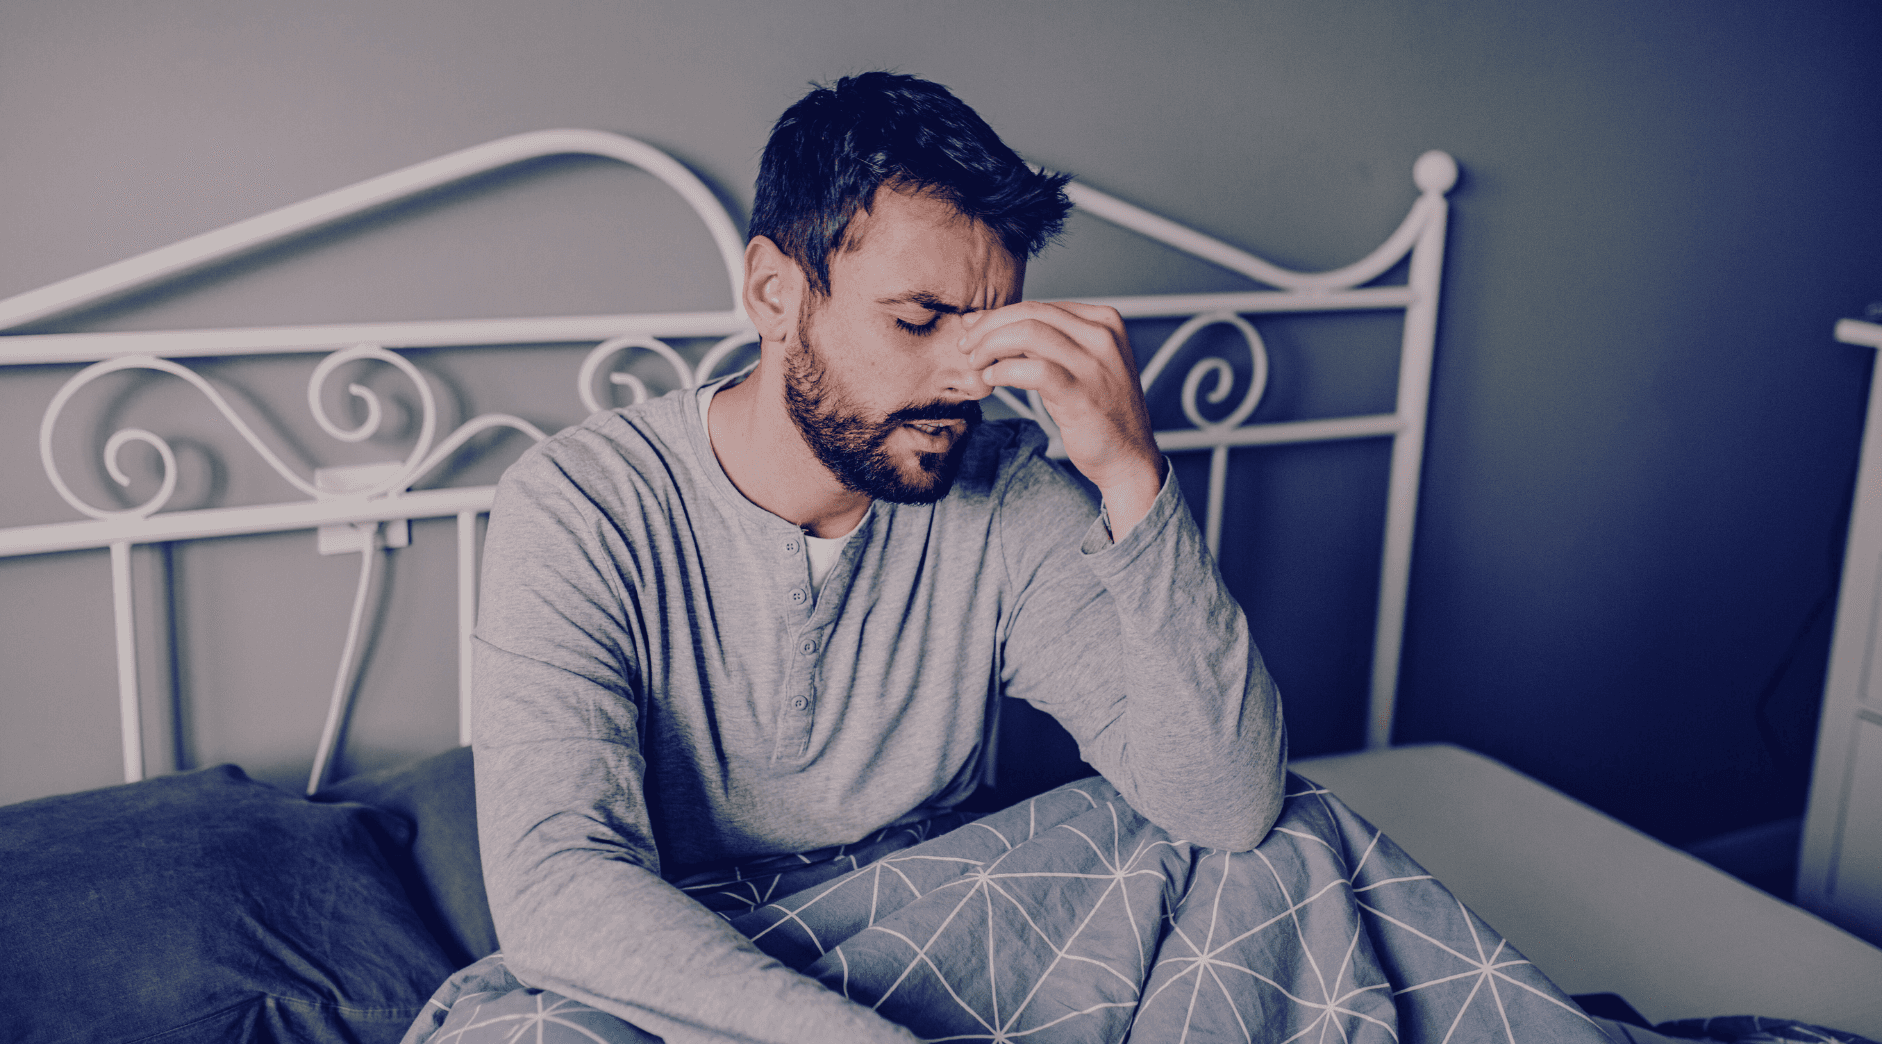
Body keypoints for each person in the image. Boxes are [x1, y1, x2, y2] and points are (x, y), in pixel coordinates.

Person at [409, 72, 1286, 1043]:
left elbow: (1226, 805)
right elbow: (561, 886)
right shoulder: (582, 503)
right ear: (774, 293)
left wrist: (1130, 474)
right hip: (687, 952)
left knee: (1293, 850)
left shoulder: (1009, 498)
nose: (966, 380)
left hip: (940, 912)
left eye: (986, 332)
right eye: (916, 320)